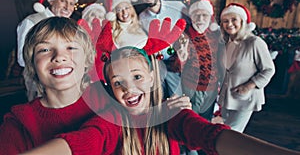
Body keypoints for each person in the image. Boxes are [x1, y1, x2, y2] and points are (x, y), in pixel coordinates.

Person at [20, 47, 300, 155]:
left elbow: (211, 136)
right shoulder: (112, 121)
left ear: (153, 78)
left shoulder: (172, 114)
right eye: (118, 83)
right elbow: (80, 142)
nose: (129, 89)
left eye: (138, 77)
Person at [0, 17, 108, 154]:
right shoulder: (18, 123)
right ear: (32, 64)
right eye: (44, 50)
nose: (59, 56)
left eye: (71, 47)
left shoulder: (109, 96)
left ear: (87, 59)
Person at [218, 3, 276, 133]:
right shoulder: (226, 42)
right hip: (227, 97)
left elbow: (269, 69)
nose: (230, 24)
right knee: (225, 130)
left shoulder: (254, 42)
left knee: (232, 133)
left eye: (234, 20)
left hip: (245, 98)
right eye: (225, 21)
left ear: (242, 21)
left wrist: (248, 86)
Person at [176, 0, 223, 155]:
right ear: (191, 17)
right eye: (197, 15)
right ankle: (188, 150)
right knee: (191, 121)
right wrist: (180, 57)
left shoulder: (216, 35)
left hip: (211, 86)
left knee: (206, 119)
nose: (201, 19)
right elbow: (175, 64)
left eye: (204, 15)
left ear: (210, 17)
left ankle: (201, 148)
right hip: (190, 86)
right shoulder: (184, 36)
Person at [17, 0, 79, 101]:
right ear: (51, 1)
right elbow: (22, 58)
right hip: (40, 85)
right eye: (62, 1)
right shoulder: (31, 21)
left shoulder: (69, 25)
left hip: (67, 82)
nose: (67, 7)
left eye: (71, 3)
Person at [131, 0, 188, 98]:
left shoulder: (178, 7)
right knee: (159, 95)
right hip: (157, 62)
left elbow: (191, 29)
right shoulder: (142, 18)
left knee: (177, 95)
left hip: (176, 60)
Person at [78, 3, 108, 82]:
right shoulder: (80, 34)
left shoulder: (107, 34)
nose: (96, 19)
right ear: (86, 18)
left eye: (100, 17)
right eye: (93, 15)